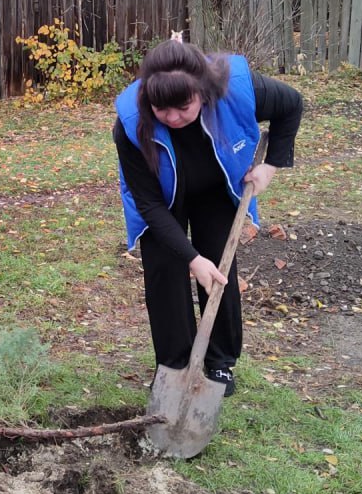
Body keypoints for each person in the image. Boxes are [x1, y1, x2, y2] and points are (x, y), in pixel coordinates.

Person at [113, 38, 303, 398]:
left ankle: (219, 361)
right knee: (165, 272)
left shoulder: (236, 89)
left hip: (215, 188)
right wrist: (190, 258)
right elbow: (150, 206)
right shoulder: (130, 123)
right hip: (162, 199)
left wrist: (271, 166)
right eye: (161, 109)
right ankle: (174, 365)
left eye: (183, 107)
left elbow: (292, 105)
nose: (172, 118)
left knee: (217, 268)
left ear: (202, 90)